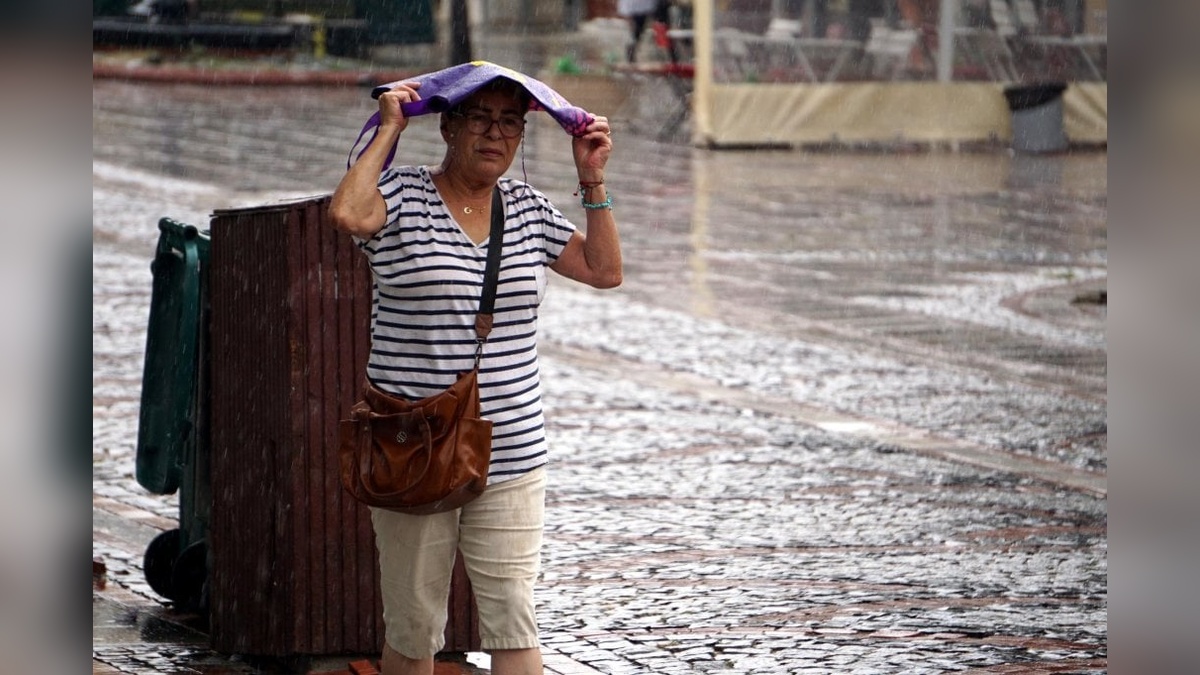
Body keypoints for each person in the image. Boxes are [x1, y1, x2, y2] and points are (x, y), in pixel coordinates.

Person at [328, 72, 622, 675]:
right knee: (414, 627)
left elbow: (602, 269)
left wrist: (591, 178)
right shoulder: (403, 196)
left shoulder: (528, 208)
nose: (495, 132)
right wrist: (389, 127)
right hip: (413, 446)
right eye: (479, 117)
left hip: (511, 449)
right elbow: (349, 214)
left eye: (509, 121)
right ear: (449, 126)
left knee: (513, 614)